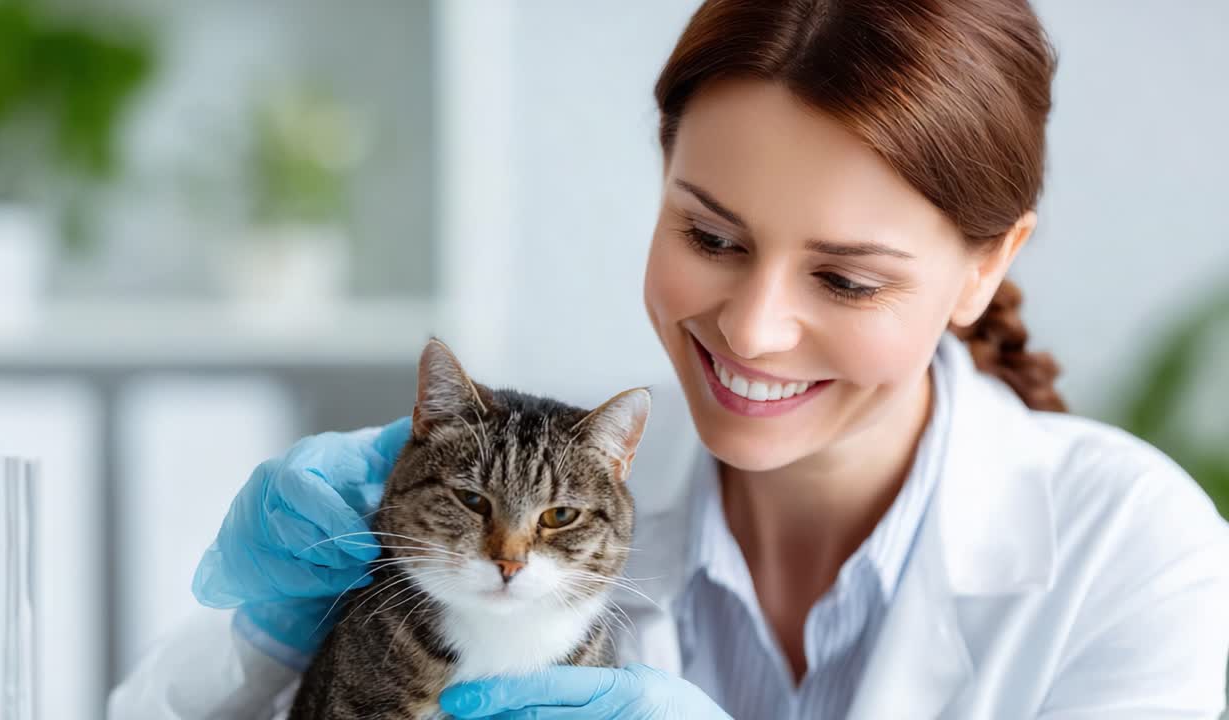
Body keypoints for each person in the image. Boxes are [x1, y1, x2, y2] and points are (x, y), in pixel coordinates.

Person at [110, 0, 1229, 718]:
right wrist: (262, 640)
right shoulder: (536, 526)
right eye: (708, 237)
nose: (749, 331)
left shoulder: (1130, 549)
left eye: (843, 278)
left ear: (986, 268)